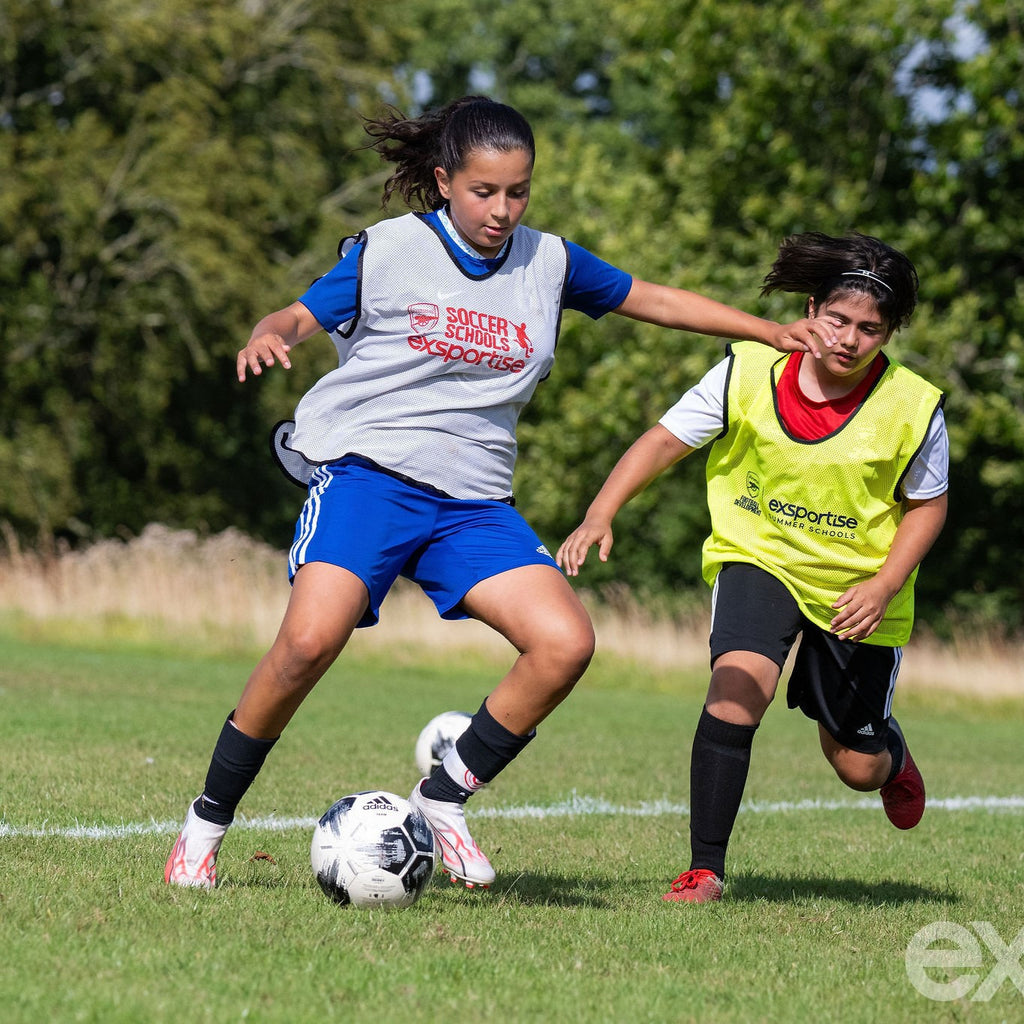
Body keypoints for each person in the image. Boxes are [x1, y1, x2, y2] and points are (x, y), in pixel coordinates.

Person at [164, 96, 832, 891]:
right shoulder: (392, 250)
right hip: (367, 475)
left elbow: (651, 298)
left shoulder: (547, 261)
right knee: (308, 643)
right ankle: (203, 828)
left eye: (518, 192)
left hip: (473, 503)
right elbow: (301, 313)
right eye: (485, 192)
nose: (503, 209)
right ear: (445, 182)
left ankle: (444, 798)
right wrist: (271, 331)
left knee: (565, 644)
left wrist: (764, 331)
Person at [557, 231, 947, 903]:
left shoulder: (913, 407)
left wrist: (884, 584)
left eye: (870, 330)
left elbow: (928, 507)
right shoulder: (746, 369)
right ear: (811, 306)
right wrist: (600, 512)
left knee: (853, 764)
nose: (849, 339)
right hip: (756, 556)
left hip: (855, 589)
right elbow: (661, 440)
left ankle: (891, 760)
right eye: (838, 319)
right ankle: (704, 868)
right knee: (736, 689)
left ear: (889, 335)